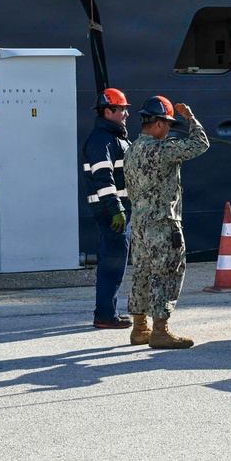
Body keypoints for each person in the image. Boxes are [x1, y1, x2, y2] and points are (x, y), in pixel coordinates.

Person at [124, 96, 209, 349]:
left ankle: (139, 328)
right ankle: (160, 330)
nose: (170, 129)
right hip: (162, 222)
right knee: (167, 273)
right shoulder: (164, 149)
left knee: (142, 273)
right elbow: (200, 144)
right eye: (169, 124)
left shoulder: (131, 150)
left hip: (139, 223)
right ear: (160, 123)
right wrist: (191, 118)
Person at [83, 87, 133, 329]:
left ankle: (108, 311)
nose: (125, 114)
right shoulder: (102, 140)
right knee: (112, 264)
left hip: (117, 211)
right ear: (107, 111)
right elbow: (104, 178)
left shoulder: (113, 137)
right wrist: (116, 209)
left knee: (115, 262)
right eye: (121, 109)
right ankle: (105, 315)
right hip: (111, 213)